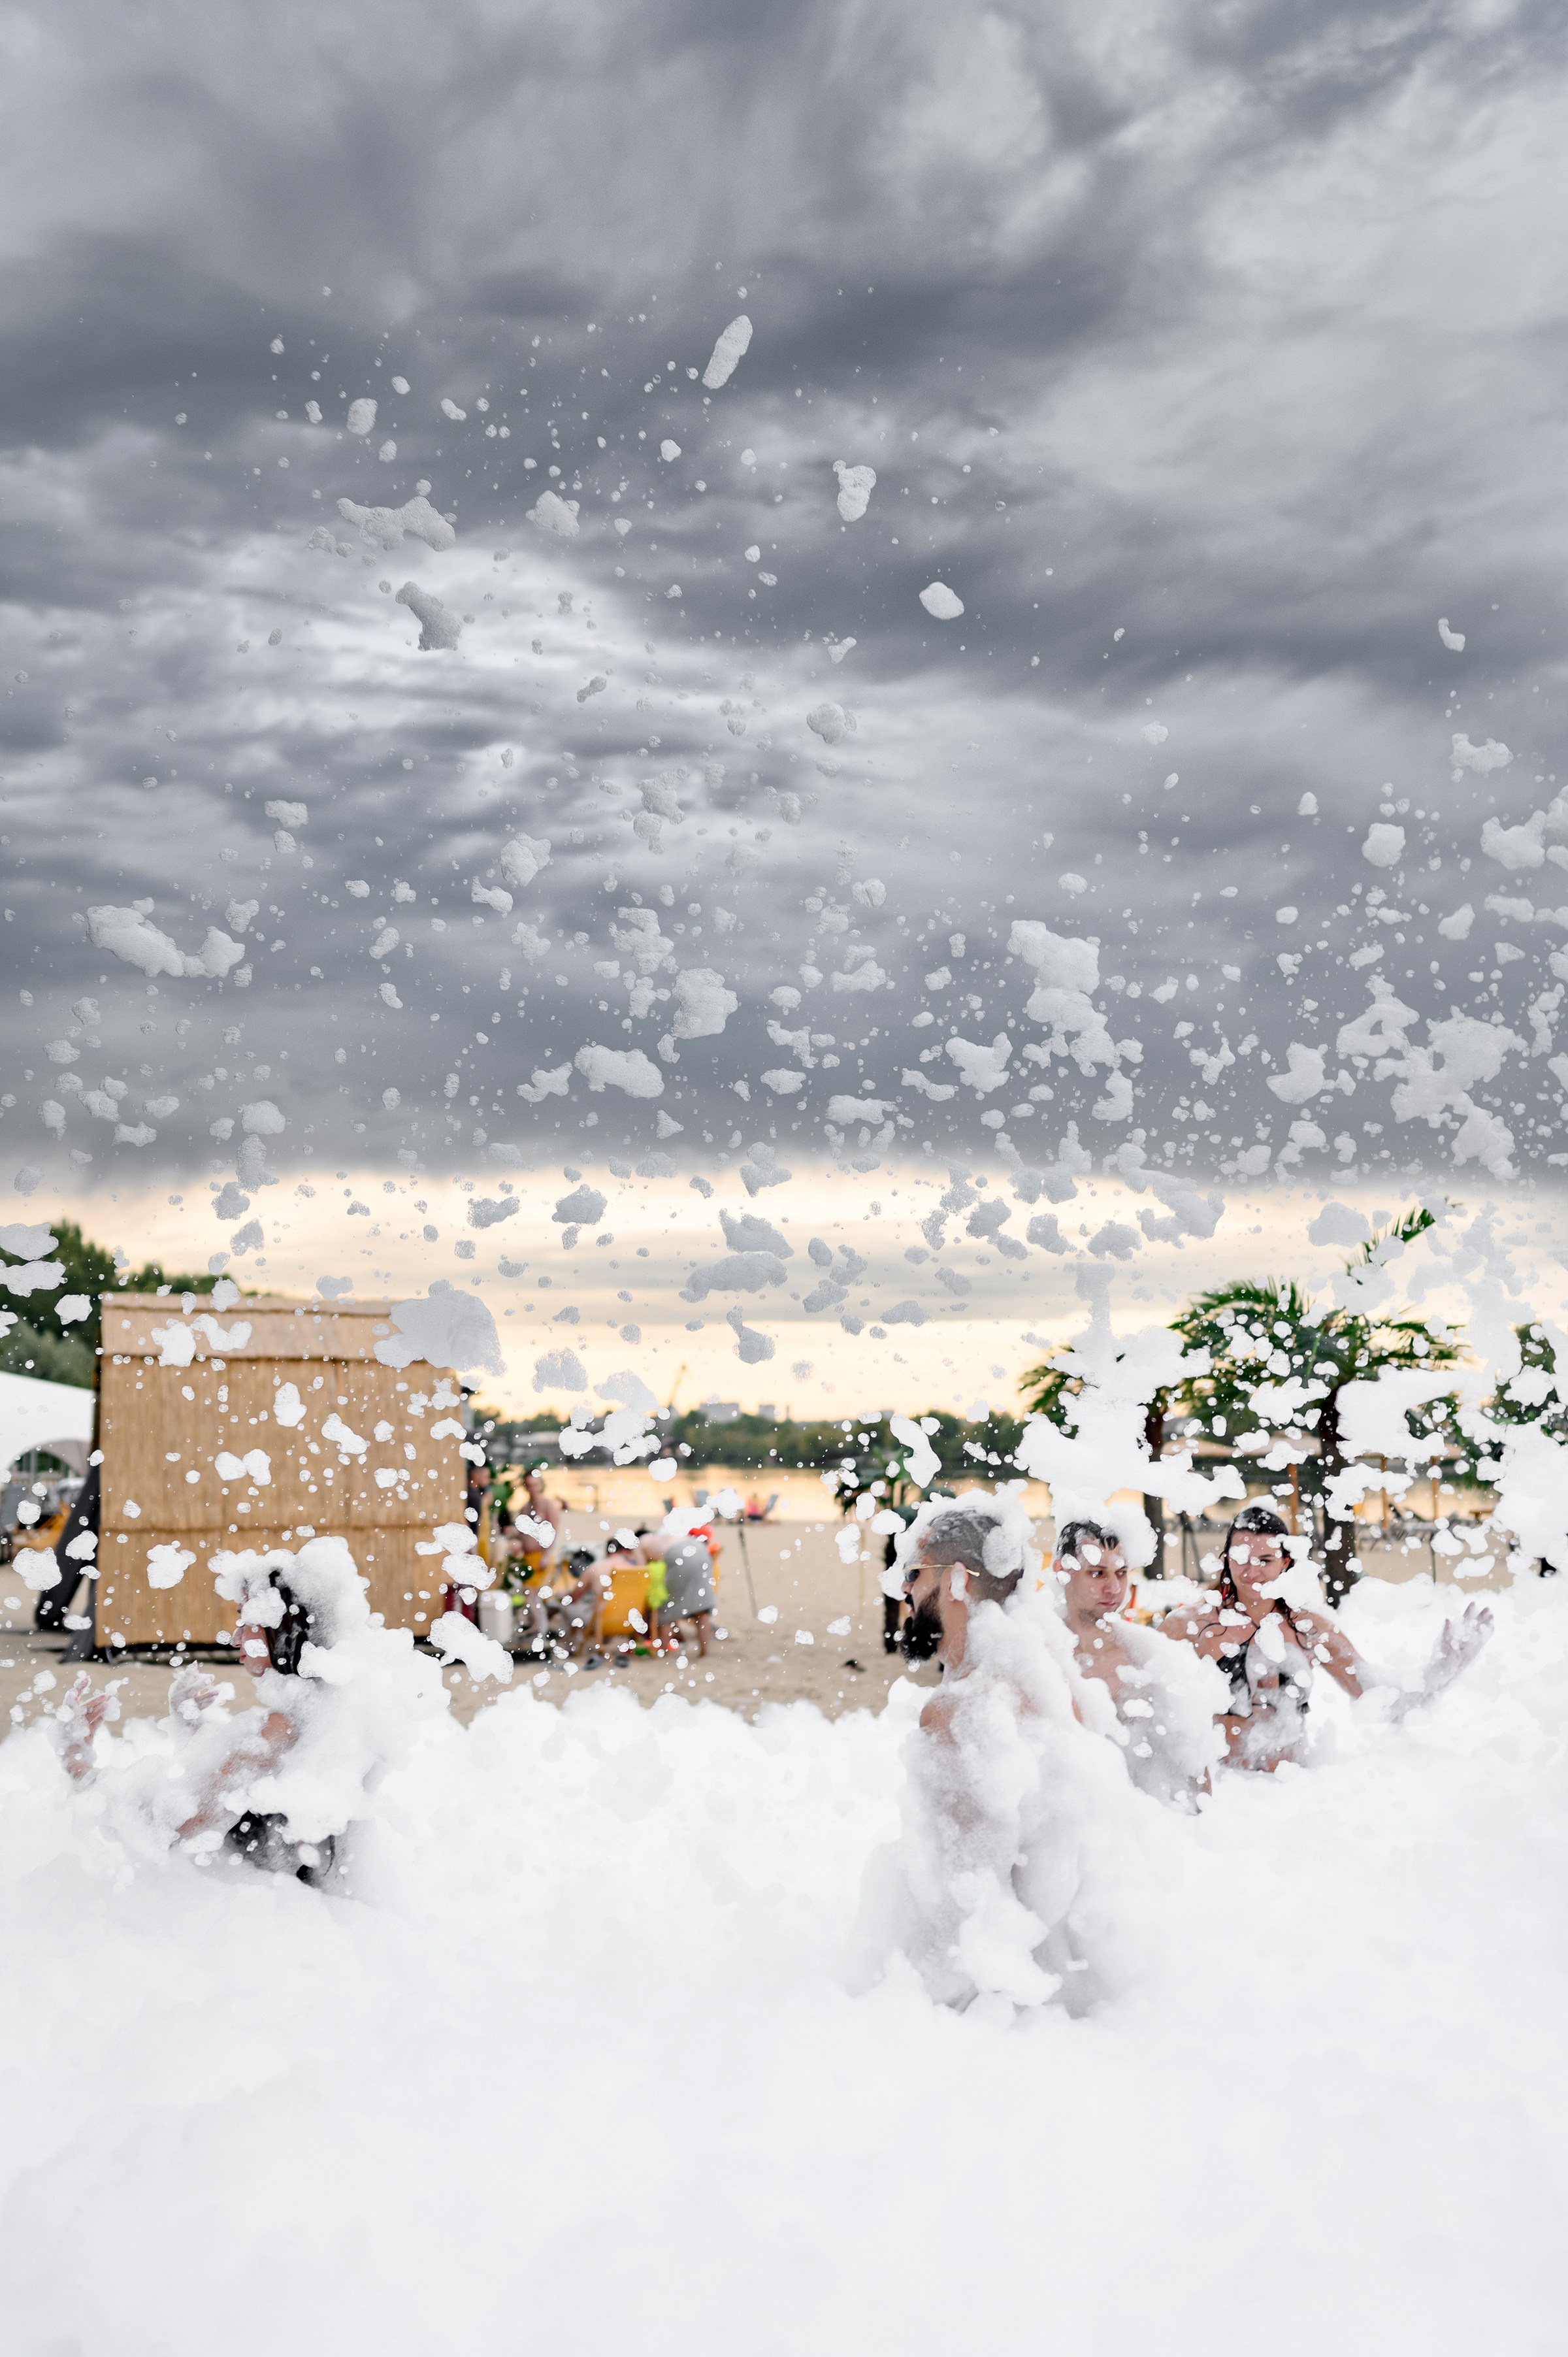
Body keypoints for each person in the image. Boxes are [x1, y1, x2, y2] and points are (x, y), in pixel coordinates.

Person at [857, 1491, 1155, 2016]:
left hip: (1000, 2011)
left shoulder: (962, 1710)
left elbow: (973, 1910)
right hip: (1071, 1995)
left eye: (915, 1573)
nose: (903, 1588)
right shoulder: (1053, 1681)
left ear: (956, 1581)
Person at [52, 1536, 443, 1876]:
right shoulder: (337, 1710)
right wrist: (191, 1727)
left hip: (276, 1921)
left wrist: (76, 1759)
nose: (235, 1635)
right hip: (307, 1910)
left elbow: (172, 1826)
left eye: (245, 1618)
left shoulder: (281, 1728)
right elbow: (231, 1794)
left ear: (284, 1625)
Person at [1162, 1502, 1494, 1772]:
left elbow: (1377, 1698)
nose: (1251, 1571)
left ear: (1285, 1562)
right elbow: (1140, 1697)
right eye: (1240, 1559)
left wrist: (1442, 1669)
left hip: (1290, 1792)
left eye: (1265, 1560)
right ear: (1226, 1560)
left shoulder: (1309, 1628)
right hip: (1228, 1791)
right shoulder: (1190, 1626)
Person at [1051, 1518, 1223, 1803]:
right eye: (1097, 1573)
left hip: (1143, 1826)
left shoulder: (1151, 1659)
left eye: (1121, 1573)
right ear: (1063, 1572)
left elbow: (1195, 1775)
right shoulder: (1039, 1656)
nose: (1113, 1588)